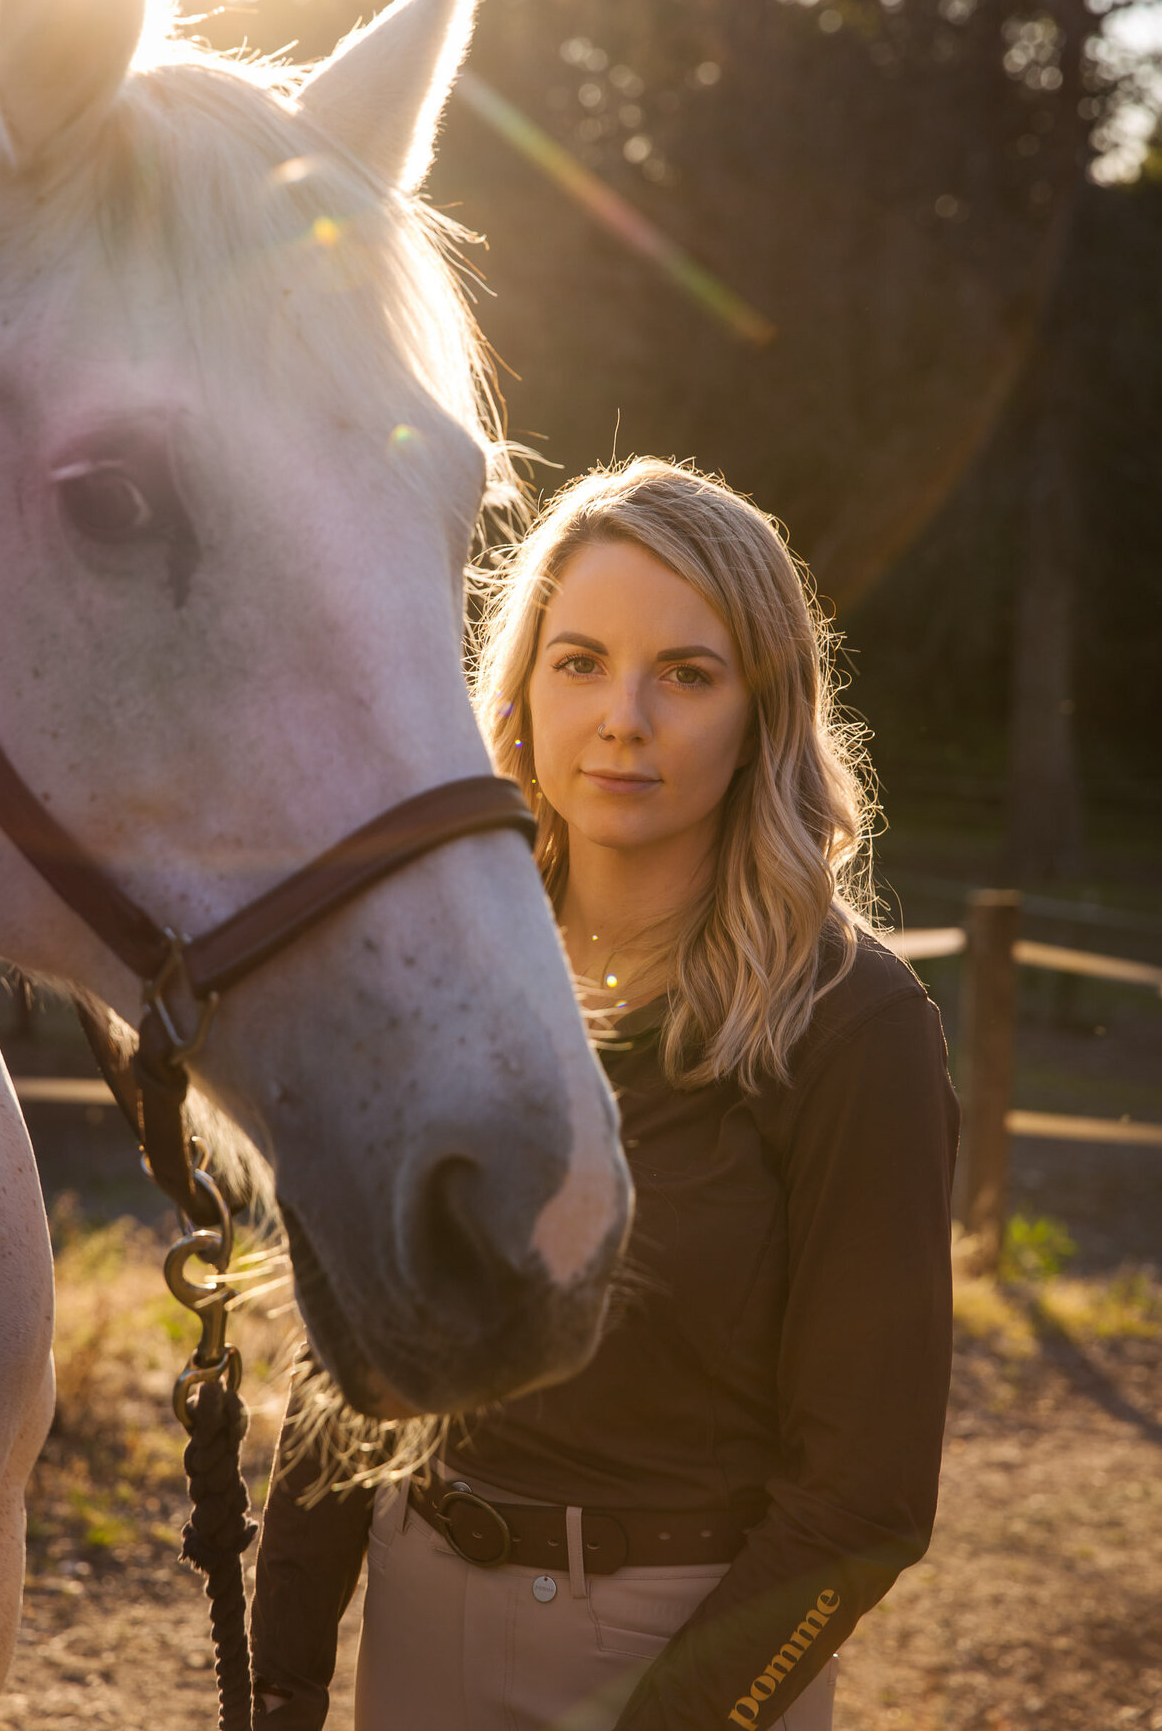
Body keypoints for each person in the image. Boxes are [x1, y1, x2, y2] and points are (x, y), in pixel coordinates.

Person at [250, 459, 959, 1731]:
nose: (623, 715)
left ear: (764, 711)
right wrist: (287, 1672)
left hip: (696, 1654)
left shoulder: (856, 1028)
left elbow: (867, 1498)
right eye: (578, 662)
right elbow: (350, 1359)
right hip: (421, 1630)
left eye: (686, 673)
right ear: (517, 693)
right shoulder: (434, 976)